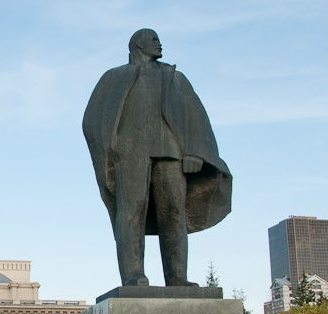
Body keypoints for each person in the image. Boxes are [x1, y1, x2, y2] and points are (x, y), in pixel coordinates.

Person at [83, 29, 232, 287]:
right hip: (130, 153)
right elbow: (93, 120)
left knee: (175, 212)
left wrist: (195, 151)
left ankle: (177, 277)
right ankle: (134, 275)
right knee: (132, 211)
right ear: (137, 44)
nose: (159, 44)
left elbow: (195, 116)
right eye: (153, 39)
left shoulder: (175, 79)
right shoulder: (114, 77)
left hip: (171, 151)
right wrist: (112, 147)